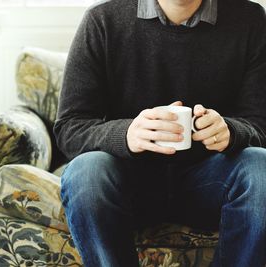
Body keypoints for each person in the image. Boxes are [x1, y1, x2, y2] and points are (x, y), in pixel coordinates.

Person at [53, 0, 266, 266]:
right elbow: (69, 127)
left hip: (210, 182)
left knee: (261, 167)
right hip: (129, 181)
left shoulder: (250, 18)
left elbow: (259, 123)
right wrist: (127, 134)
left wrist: (231, 131)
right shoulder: (102, 20)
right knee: (87, 171)